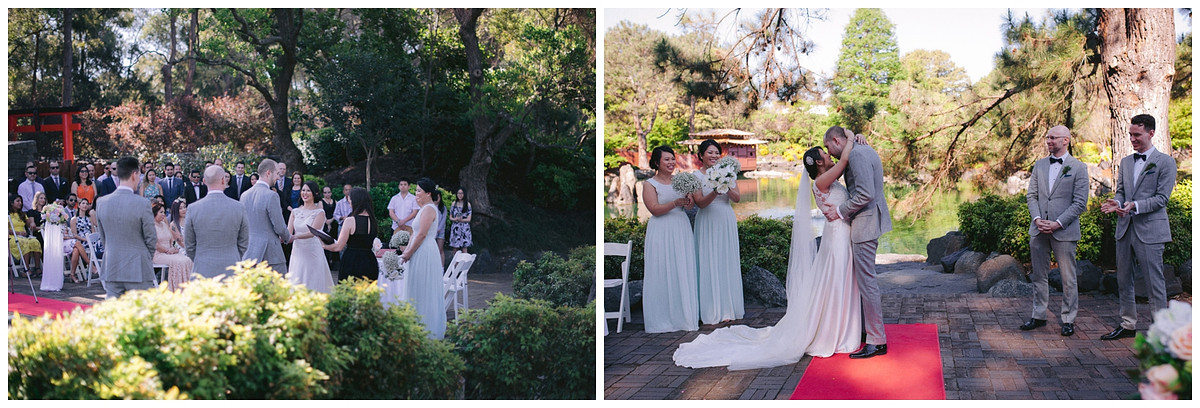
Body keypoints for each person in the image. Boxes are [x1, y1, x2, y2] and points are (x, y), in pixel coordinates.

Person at [674, 141, 863, 369]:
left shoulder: (828, 177)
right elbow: (843, 161)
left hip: (840, 235)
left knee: (838, 282)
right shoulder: (823, 180)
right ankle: (835, 331)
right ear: (820, 162)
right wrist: (852, 139)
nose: (830, 154)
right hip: (837, 237)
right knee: (836, 282)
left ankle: (842, 326)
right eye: (826, 153)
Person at [1100, 114, 1178, 341]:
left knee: (1154, 282)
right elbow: (1122, 190)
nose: (1132, 139)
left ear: (1151, 133)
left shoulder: (1165, 162)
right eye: (1130, 134)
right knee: (1124, 279)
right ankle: (1128, 324)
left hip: (1150, 230)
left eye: (1137, 135)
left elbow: (1162, 198)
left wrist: (1135, 205)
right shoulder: (1125, 162)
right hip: (1125, 228)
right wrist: (1118, 202)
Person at [819, 126, 892, 359]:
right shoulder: (861, 148)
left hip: (865, 224)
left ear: (835, 140)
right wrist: (852, 137)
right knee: (863, 281)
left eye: (828, 147)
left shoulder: (858, 154)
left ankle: (877, 340)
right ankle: (865, 331)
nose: (828, 153)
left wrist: (840, 211)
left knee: (867, 283)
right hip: (868, 221)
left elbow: (865, 194)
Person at [1021, 125, 1089, 337]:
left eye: (1053, 137)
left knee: (1068, 278)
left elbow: (1080, 203)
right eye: (1048, 137)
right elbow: (1031, 196)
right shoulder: (1039, 165)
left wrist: (1058, 223)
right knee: (1039, 275)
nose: (1049, 141)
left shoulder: (1078, 168)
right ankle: (1039, 315)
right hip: (1039, 230)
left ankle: (1068, 319)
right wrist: (1038, 219)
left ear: (1066, 140)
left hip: (1064, 231)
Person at [641, 146, 699, 333]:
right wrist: (674, 203)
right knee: (661, 270)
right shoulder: (650, 184)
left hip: (680, 228)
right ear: (657, 162)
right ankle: (661, 318)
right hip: (661, 230)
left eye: (672, 159)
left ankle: (684, 318)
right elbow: (654, 209)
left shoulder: (681, 180)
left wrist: (689, 200)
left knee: (682, 268)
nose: (671, 163)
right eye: (666, 159)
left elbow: (689, 208)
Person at [690, 139, 744, 325]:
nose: (713, 156)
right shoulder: (696, 176)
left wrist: (725, 183)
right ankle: (710, 309)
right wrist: (715, 189)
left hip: (725, 219)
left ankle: (728, 307)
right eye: (709, 153)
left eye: (716, 153)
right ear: (701, 155)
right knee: (708, 260)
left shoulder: (728, 171)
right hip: (707, 220)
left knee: (725, 260)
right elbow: (700, 203)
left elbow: (737, 198)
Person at [96, 157, 157, 299]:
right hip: (138, 267)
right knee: (142, 313)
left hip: (112, 264)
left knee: (113, 314)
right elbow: (151, 238)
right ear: (135, 174)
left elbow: (103, 237)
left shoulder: (102, 202)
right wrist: (145, 257)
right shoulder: (142, 204)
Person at [400, 178, 448, 339]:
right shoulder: (423, 209)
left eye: (419, 191)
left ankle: (427, 327)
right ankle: (415, 324)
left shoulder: (429, 209)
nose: (416, 194)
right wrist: (406, 249)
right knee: (416, 286)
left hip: (425, 251)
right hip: (418, 249)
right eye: (416, 191)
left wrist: (409, 253)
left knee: (423, 287)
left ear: (428, 193)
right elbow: (414, 233)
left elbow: (422, 234)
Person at [185, 165, 249, 280]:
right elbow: (244, 241)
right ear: (223, 180)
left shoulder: (193, 208)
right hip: (231, 267)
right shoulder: (238, 207)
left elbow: (189, 245)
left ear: (204, 181)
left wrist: (199, 258)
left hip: (202, 268)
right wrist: (234, 255)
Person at [241, 159, 292, 275]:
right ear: (269, 173)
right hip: (270, 254)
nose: (278, 178)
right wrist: (288, 237)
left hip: (249, 253)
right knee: (278, 290)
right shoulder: (272, 195)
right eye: (277, 174)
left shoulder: (244, 195)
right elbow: (279, 227)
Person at [286, 181, 335, 293]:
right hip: (297, 252)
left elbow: (313, 232)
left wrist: (295, 237)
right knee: (296, 280)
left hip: (312, 252)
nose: (305, 193)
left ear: (315, 193)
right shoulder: (295, 211)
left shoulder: (319, 212)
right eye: (303, 190)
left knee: (312, 281)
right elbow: (288, 232)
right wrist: (282, 236)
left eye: (308, 190)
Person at [322, 187, 379, 282]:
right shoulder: (373, 220)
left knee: (349, 293)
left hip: (352, 261)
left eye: (350, 201)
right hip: (370, 260)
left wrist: (323, 246)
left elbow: (338, 247)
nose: (350, 204)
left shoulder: (350, 220)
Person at [151, 202, 193, 292]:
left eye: (164, 212)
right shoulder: (151, 226)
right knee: (179, 262)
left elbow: (172, 239)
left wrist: (173, 248)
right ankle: (177, 290)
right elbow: (155, 244)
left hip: (169, 252)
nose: (163, 215)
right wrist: (167, 250)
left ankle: (188, 289)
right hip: (158, 254)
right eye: (161, 212)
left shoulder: (164, 224)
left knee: (187, 260)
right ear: (154, 213)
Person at [64, 198, 99, 281]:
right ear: (79, 205)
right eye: (83, 203)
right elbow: (74, 235)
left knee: (98, 246)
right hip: (81, 241)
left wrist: (91, 239)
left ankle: (95, 267)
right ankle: (92, 267)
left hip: (90, 240)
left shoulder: (89, 218)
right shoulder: (74, 219)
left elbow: (93, 231)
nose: (85, 205)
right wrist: (86, 239)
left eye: (87, 203)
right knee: (81, 246)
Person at [9, 195, 43, 275]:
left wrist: (32, 222)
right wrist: (18, 233)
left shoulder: (22, 214)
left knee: (35, 242)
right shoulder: (8, 214)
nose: (20, 203)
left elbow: (28, 223)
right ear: (11, 203)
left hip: (23, 236)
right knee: (25, 243)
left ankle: (37, 268)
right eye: (17, 201)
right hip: (12, 237)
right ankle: (26, 269)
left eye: (21, 201)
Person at [448, 188, 473, 254]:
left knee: (464, 247)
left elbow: (469, 219)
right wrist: (455, 219)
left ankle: (465, 263)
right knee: (455, 248)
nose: (460, 195)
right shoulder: (454, 204)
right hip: (456, 227)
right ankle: (455, 264)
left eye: (461, 193)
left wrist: (462, 220)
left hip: (465, 228)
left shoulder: (468, 204)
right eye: (459, 193)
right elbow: (450, 217)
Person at [321, 185, 338, 267]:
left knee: (334, 241)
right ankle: (326, 262)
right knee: (325, 242)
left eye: (329, 192)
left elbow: (337, 213)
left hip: (334, 223)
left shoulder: (335, 202)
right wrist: (327, 222)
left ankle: (334, 262)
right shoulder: (321, 202)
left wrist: (331, 221)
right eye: (325, 192)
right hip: (324, 224)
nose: (327, 194)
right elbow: (321, 212)